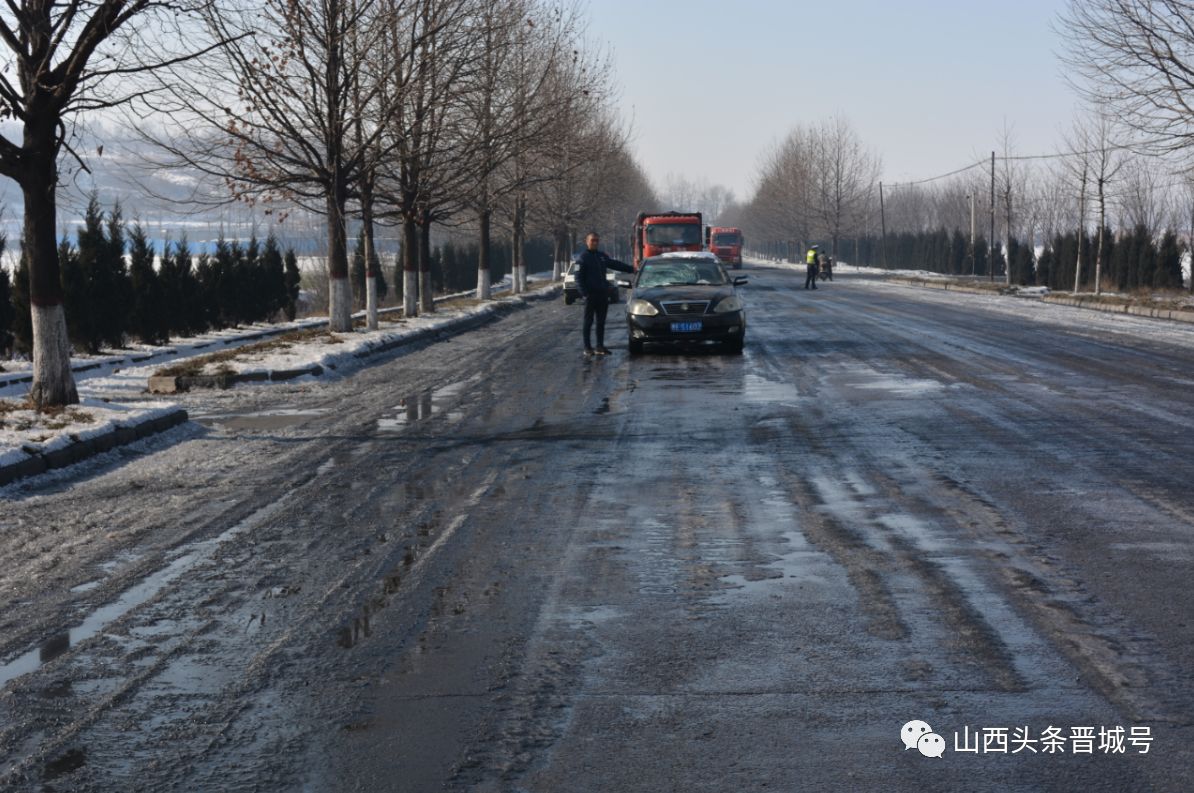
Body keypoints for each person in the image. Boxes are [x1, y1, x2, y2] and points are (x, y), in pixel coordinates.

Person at [575, 231, 633, 356]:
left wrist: (632, 269)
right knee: (588, 322)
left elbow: (614, 264)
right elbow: (578, 279)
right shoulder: (582, 258)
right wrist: (585, 294)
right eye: (592, 240)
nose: (595, 242)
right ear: (587, 241)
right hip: (590, 296)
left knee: (601, 322)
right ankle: (587, 347)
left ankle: (600, 346)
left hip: (602, 295)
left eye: (597, 240)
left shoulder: (601, 256)